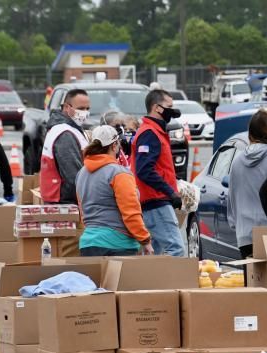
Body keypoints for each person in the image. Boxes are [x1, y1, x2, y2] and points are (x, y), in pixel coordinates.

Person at [75, 125, 153, 256]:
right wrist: (145, 240)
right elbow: (131, 212)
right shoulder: (119, 173)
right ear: (114, 145)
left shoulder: (81, 173)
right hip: (118, 245)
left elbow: (82, 211)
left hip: (88, 244)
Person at [131, 89, 185, 256]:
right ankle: (178, 282)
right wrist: (170, 192)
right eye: (169, 106)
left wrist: (175, 184)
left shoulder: (155, 131)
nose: (173, 110)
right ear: (157, 108)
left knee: (154, 255)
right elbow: (144, 170)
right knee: (176, 250)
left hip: (155, 200)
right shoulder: (149, 133)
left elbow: (159, 168)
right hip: (156, 202)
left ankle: (153, 281)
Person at [227, 109, 267, 258]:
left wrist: (237, 225)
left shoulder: (237, 162)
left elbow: (231, 199)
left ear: (250, 133)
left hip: (244, 234)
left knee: (251, 279)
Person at [40, 89, 90, 204]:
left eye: (87, 109)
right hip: (65, 202)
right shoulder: (65, 134)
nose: (85, 112)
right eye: (81, 108)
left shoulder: (69, 128)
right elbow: (74, 177)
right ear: (67, 107)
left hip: (64, 198)